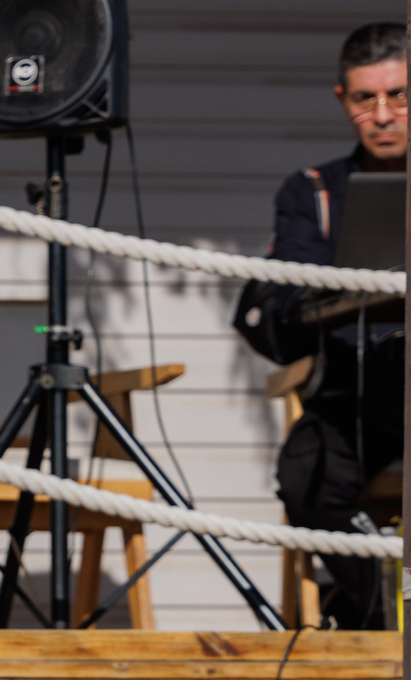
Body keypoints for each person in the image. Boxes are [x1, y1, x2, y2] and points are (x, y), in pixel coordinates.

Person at [235, 21, 407, 629]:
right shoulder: (313, 194)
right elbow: (285, 298)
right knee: (306, 475)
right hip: (357, 390)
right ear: (342, 100)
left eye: (399, 95)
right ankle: (383, 612)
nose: (382, 115)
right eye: (365, 98)